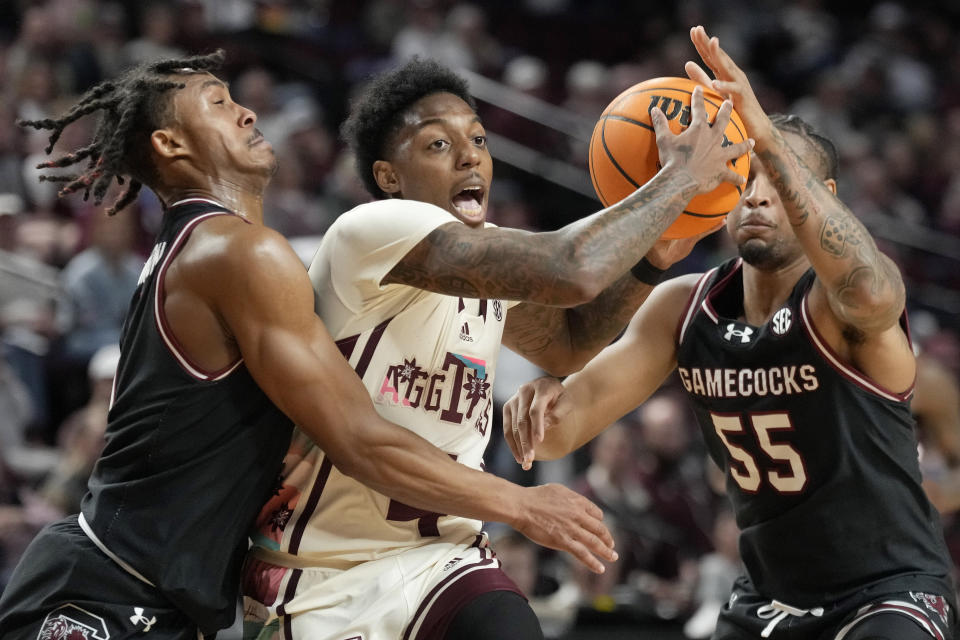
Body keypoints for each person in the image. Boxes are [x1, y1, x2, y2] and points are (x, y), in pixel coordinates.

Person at [0, 50, 621, 640]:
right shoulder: (236, 251)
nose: (245, 111)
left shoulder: (207, 247)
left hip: (160, 596)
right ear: (170, 143)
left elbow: (562, 339)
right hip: (107, 587)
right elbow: (359, 439)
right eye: (218, 102)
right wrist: (522, 504)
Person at [241, 56, 752, 640]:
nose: (470, 155)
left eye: (478, 139)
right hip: (324, 570)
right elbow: (571, 268)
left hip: (445, 559)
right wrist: (678, 179)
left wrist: (648, 262)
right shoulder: (370, 232)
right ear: (388, 176)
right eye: (437, 145)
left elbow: (568, 344)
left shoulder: (486, 262)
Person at [503, 26, 957, 640]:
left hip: (887, 594)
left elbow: (871, 291)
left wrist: (763, 133)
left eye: (777, 174)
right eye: (746, 173)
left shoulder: (844, 303)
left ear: (820, 198)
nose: (757, 195)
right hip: (767, 599)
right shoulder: (683, 307)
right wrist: (540, 404)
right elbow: (558, 435)